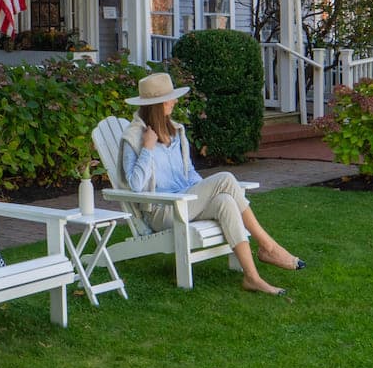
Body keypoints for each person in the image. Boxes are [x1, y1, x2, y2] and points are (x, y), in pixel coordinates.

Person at [120, 72, 307, 295]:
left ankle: (252, 277)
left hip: (186, 201)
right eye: (170, 98)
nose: (175, 101)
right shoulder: (134, 137)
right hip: (163, 210)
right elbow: (134, 185)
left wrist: (206, 191)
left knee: (225, 200)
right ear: (157, 104)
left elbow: (189, 175)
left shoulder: (175, 131)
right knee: (226, 178)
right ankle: (268, 247)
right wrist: (148, 149)